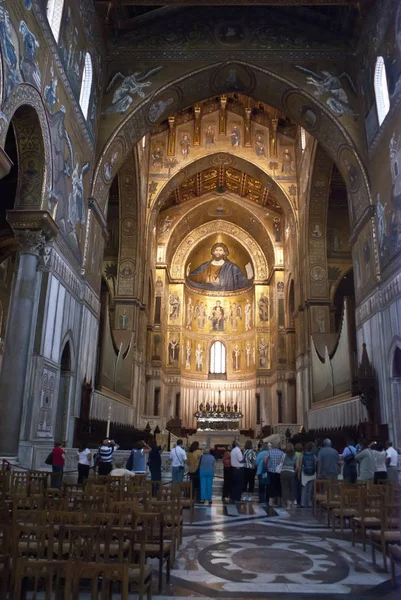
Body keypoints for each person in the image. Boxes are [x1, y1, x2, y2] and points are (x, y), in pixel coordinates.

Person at [187, 242, 253, 292]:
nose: (218, 252)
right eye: (216, 250)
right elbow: (195, 278)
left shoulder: (232, 267)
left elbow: (242, 282)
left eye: (221, 250)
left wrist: (249, 278)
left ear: (224, 253)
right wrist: (187, 274)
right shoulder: (206, 265)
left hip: (228, 296)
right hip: (207, 293)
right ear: (213, 252)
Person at [265, 443, 284, 507]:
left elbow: (265, 459)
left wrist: (267, 465)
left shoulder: (269, 452)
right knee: (279, 486)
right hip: (279, 471)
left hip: (271, 471)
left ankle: (271, 502)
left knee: (271, 486)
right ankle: (279, 502)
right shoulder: (281, 452)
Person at [299, 441, 317, 508]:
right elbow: (315, 464)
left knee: (304, 488)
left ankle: (303, 503)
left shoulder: (302, 455)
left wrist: (299, 473)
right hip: (312, 474)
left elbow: (300, 465)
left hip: (304, 473)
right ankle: (309, 503)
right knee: (310, 489)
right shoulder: (314, 455)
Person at [280, 443, 298, 509]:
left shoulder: (283, 455)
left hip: (284, 472)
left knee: (285, 489)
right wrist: (294, 472)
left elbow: (279, 463)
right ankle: (293, 503)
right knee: (291, 488)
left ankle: (287, 505)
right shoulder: (295, 455)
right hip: (291, 472)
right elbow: (297, 466)